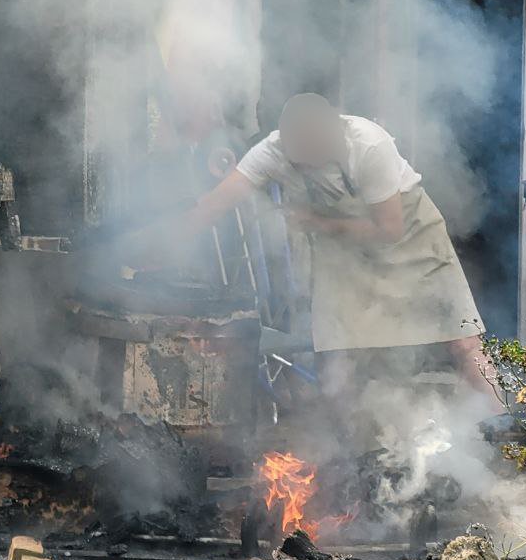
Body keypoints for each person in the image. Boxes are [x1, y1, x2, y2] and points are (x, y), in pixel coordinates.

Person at [160, 92, 490, 394]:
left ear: (334, 132)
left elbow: (390, 229)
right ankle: (347, 452)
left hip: (413, 240)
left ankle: (511, 428)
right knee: (338, 359)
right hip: (342, 253)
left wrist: (318, 223)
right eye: (299, 150)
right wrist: (162, 250)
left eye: (315, 147)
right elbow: (212, 206)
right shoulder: (270, 153)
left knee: (463, 343)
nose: (308, 158)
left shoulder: (369, 146)